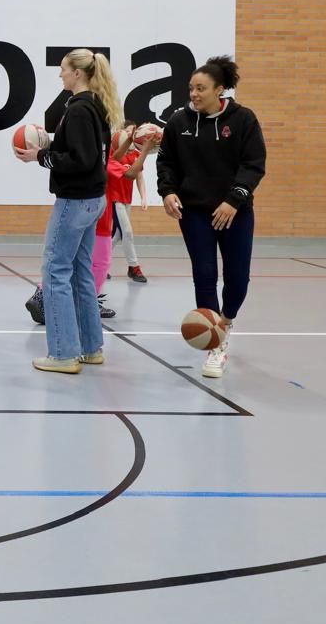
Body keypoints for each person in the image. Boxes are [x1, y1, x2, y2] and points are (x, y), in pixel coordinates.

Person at [156, 55, 266, 379]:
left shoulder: (243, 119)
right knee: (204, 274)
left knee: (237, 278)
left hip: (235, 212)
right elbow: (166, 162)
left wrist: (235, 200)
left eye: (200, 88)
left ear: (220, 89)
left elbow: (254, 164)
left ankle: (225, 323)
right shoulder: (178, 122)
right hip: (194, 212)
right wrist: (168, 191)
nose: (193, 93)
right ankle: (214, 344)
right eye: (191, 88)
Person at [17, 49, 121, 374]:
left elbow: (81, 160)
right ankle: (91, 348)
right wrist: (50, 146)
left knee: (55, 272)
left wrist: (42, 157)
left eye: (63, 69)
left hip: (75, 201)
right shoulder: (95, 106)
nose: (60, 75)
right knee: (81, 273)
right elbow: (89, 154)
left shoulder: (77, 110)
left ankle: (62, 354)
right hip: (94, 200)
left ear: (78, 73)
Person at [111, 121, 158, 284]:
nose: (133, 135)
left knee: (118, 235)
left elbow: (138, 177)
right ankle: (134, 267)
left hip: (126, 199)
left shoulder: (135, 155)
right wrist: (143, 149)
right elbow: (129, 173)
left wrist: (144, 197)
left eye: (135, 132)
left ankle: (97, 263)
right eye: (130, 133)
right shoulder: (114, 153)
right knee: (127, 233)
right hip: (114, 199)